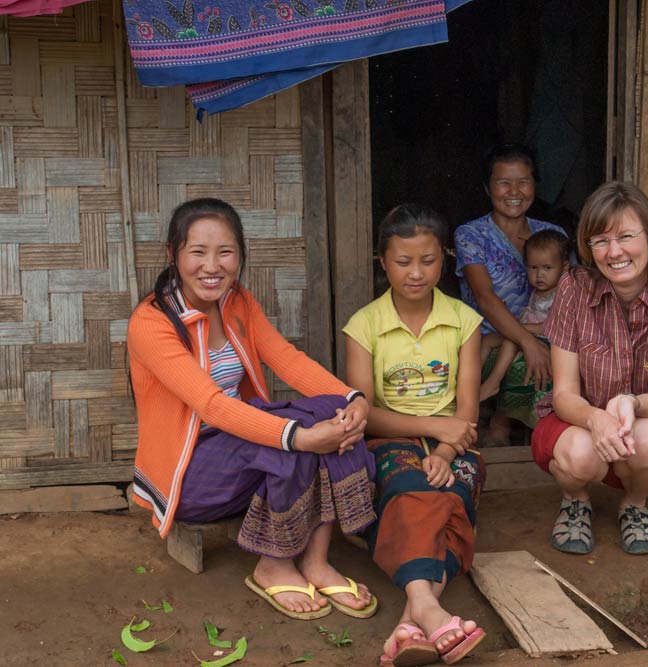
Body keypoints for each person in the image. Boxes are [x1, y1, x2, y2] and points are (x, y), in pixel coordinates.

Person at [127, 198, 378, 621]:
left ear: (240, 255)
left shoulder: (237, 301)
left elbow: (286, 358)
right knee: (290, 444)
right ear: (173, 254)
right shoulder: (151, 323)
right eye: (197, 252)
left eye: (225, 252)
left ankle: (315, 561)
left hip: (238, 446)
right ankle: (273, 564)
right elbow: (211, 405)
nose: (212, 266)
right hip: (190, 472)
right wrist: (298, 437)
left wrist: (352, 398)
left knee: (334, 413)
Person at [531, 181, 648, 555]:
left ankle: (634, 504)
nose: (614, 252)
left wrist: (631, 403)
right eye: (600, 240)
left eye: (626, 236)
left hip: (646, 425)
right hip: (575, 422)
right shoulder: (573, 288)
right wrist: (596, 418)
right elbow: (564, 393)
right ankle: (576, 499)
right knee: (581, 452)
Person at [344, 204, 486, 666]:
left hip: (455, 443)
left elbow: (466, 412)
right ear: (383, 262)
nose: (416, 273)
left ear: (444, 258)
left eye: (428, 260)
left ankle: (414, 618)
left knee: (454, 491)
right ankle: (429, 609)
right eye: (403, 262)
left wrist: (445, 450)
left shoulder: (464, 320)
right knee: (412, 488)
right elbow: (365, 413)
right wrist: (432, 426)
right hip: (390, 440)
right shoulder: (364, 325)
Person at [454, 143, 570, 433]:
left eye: (523, 182)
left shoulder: (553, 234)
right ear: (487, 188)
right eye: (504, 182)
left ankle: (546, 435)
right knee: (527, 364)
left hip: (545, 332)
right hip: (488, 342)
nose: (514, 192)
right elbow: (485, 297)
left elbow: (572, 292)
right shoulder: (471, 235)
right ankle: (502, 426)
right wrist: (527, 342)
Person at [479, 229, 570, 401]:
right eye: (533, 268)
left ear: (564, 268)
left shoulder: (562, 294)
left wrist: (520, 328)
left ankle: (493, 383)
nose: (539, 274)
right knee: (488, 339)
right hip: (529, 332)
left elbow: (553, 327)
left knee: (511, 340)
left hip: (549, 340)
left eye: (547, 268)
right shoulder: (539, 290)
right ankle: (470, 385)